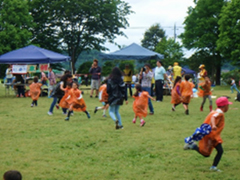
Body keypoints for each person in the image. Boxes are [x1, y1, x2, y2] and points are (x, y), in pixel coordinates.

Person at [183, 97, 232, 172]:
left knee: (218, 151)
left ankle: (213, 167)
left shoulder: (215, 111)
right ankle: (193, 146)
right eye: (228, 105)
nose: (228, 107)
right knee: (207, 154)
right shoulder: (219, 113)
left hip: (214, 136)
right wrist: (214, 125)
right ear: (224, 106)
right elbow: (213, 118)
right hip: (211, 136)